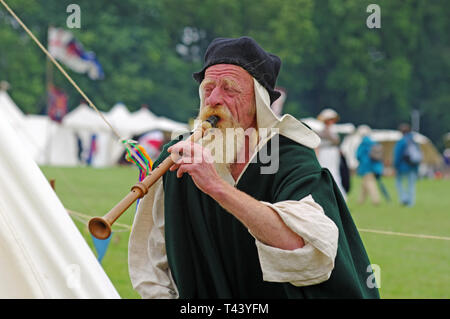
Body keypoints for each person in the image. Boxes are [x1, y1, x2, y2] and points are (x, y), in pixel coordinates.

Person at [128, 36, 379, 299]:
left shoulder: (289, 157)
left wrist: (216, 186)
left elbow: (300, 245)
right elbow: (152, 258)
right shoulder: (176, 158)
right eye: (208, 88)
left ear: (258, 103)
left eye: (229, 89)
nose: (214, 98)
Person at [316, 108, 347, 199]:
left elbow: (336, 141)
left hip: (332, 153)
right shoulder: (323, 130)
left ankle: (339, 195)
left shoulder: (332, 130)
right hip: (324, 153)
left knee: (334, 172)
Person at [393, 123, 421, 207]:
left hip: (402, 166)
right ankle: (411, 203)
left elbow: (397, 155)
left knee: (399, 183)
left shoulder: (401, 142)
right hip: (413, 166)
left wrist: (396, 166)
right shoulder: (414, 141)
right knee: (411, 185)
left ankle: (404, 198)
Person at [355, 125, 384, 205]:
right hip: (374, 166)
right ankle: (360, 201)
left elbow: (358, 155)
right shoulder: (373, 143)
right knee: (364, 184)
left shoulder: (363, 144)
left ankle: (376, 200)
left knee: (370, 183)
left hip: (366, 167)